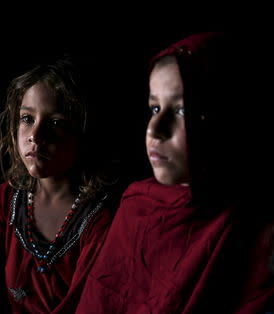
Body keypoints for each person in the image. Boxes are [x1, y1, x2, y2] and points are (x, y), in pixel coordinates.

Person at [76, 33, 274, 313]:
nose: (154, 129)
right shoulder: (136, 206)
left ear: (225, 116)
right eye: (154, 107)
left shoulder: (254, 231)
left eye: (182, 110)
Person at [0, 57, 114, 313]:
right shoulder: (5, 201)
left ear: (83, 133)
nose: (35, 136)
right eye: (27, 118)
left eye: (56, 123)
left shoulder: (99, 221)